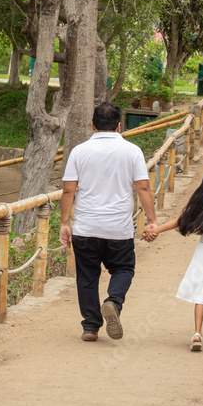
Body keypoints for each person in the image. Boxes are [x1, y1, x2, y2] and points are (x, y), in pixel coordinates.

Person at [59, 102, 158, 342]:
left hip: (86, 227)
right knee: (123, 269)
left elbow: (68, 191)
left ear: (92, 125)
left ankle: (91, 327)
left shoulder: (79, 151)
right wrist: (152, 220)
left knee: (87, 277)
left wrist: (64, 223)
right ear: (119, 125)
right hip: (118, 229)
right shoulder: (132, 151)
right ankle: (113, 301)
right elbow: (143, 187)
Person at [142, 167, 203, 351]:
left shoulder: (202, 206)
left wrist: (154, 230)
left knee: (201, 294)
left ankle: (197, 333)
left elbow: (179, 221)